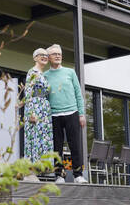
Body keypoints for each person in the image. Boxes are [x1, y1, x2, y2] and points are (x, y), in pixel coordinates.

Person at [44, 44, 88, 184]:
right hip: (54, 115)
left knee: (75, 145)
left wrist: (81, 114)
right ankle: (59, 175)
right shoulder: (45, 76)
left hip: (72, 112)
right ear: (49, 58)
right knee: (56, 147)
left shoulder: (70, 73)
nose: (58, 56)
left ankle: (78, 175)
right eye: (54, 54)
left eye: (59, 53)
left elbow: (78, 94)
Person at [23, 48, 54, 182]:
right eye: (41, 55)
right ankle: (29, 172)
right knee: (33, 138)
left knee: (43, 139)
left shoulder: (44, 74)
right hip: (35, 107)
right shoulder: (32, 72)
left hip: (44, 110)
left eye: (46, 55)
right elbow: (28, 92)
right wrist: (31, 112)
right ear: (35, 58)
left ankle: (42, 169)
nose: (44, 57)